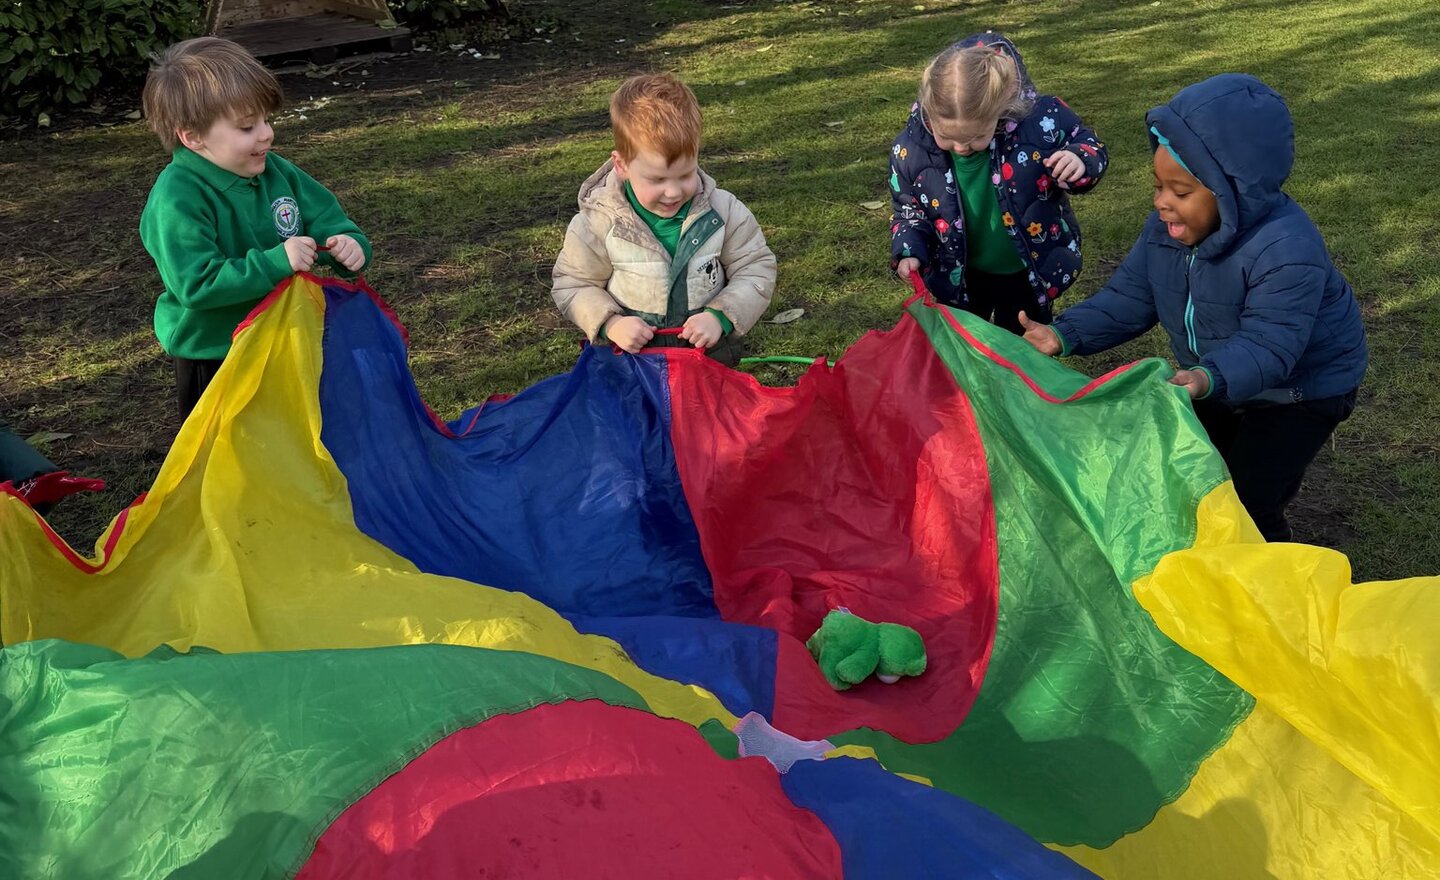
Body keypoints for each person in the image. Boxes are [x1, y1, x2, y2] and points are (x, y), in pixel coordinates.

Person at [1021, 74, 1367, 542]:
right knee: (1198, 478)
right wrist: (1064, 334)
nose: (1161, 202)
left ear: (1231, 192)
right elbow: (1130, 296)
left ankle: (1267, 581)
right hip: (1216, 379)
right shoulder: (1164, 231)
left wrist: (1207, 378)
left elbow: (1271, 343)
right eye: (1159, 185)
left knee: (1248, 501)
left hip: (1302, 391)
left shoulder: (1286, 248)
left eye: (1180, 192)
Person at [140, 37, 371, 419]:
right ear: (192, 136)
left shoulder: (276, 171)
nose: (266, 134)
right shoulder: (177, 198)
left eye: (266, 120)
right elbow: (196, 283)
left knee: (290, 431)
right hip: (215, 352)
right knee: (225, 452)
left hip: (283, 335)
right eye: (247, 126)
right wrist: (276, 261)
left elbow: (328, 220)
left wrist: (348, 245)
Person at [551, 73, 776, 366]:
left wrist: (720, 316)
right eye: (656, 179)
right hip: (632, 361)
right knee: (637, 413)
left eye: (685, 175)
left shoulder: (724, 212)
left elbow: (755, 267)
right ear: (621, 165)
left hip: (709, 356)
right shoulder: (599, 222)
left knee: (707, 412)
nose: (672, 191)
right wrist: (611, 323)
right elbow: (573, 283)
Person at [889, 32, 1107, 334]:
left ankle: (1024, 381)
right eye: (947, 136)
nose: (962, 147)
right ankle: (968, 383)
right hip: (958, 274)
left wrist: (1079, 159)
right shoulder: (911, 150)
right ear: (929, 113)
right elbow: (908, 210)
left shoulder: (1041, 121)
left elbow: (1088, 142)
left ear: (1001, 109)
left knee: (1025, 347)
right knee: (963, 348)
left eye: (976, 136)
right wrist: (909, 249)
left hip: (1027, 271)